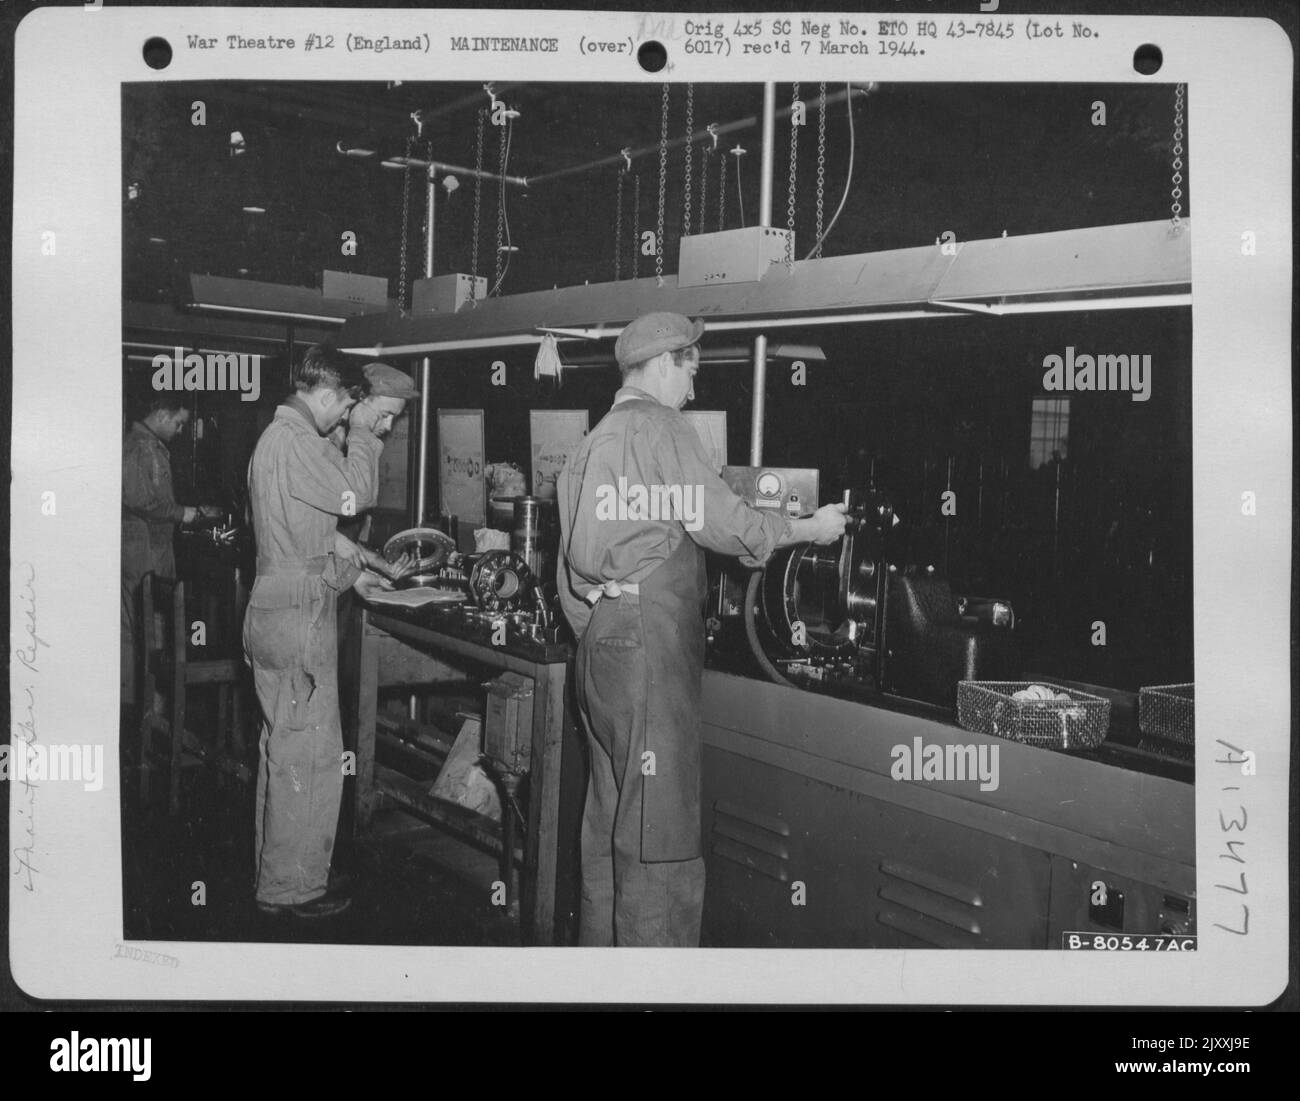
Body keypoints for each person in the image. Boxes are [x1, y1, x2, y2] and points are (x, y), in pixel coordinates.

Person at [557, 311, 848, 946]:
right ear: (665, 364)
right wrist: (810, 529)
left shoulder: (592, 441)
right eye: (691, 370)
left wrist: (607, 619)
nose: (693, 388)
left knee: (609, 824)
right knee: (658, 835)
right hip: (648, 655)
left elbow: (570, 579)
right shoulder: (663, 428)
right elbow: (725, 523)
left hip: (600, 648)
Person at [243, 344, 394, 919]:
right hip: (299, 615)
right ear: (328, 396)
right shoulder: (302, 443)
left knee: (284, 747)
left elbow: (308, 525)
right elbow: (359, 492)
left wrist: (350, 558)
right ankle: (295, 888)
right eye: (344, 407)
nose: (342, 418)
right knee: (309, 755)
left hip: (272, 605)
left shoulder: (271, 442)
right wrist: (364, 433)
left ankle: (276, 872)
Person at [121, 394, 221, 711]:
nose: (180, 430)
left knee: (138, 628)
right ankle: (153, 711)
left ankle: (141, 709)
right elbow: (143, 500)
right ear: (163, 415)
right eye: (179, 423)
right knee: (152, 627)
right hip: (147, 551)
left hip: (143, 547)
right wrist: (187, 514)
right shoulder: (145, 447)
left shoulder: (139, 443)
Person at [331, 361, 420, 577]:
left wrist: (379, 563)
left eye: (394, 418)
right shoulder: (323, 447)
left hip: (341, 580)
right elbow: (310, 532)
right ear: (359, 402)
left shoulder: (352, 446)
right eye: (383, 415)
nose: (388, 426)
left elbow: (342, 540)